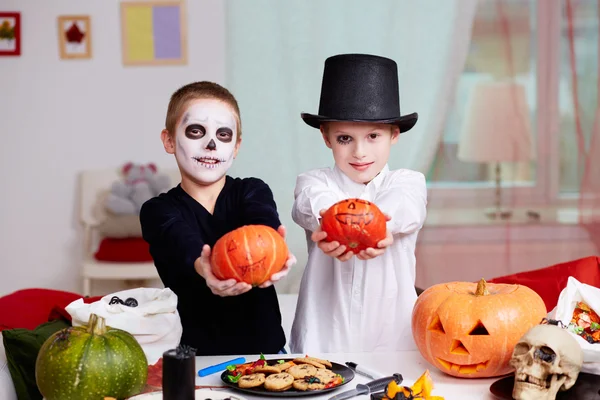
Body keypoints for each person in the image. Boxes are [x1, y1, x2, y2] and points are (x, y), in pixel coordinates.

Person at [140, 81, 296, 356]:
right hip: (196, 361)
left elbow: (261, 220)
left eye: (223, 135)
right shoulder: (158, 210)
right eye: (196, 131)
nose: (211, 144)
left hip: (268, 356)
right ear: (169, 140)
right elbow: (179, 240)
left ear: (235, 147)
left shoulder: (252, 190)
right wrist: (204, 265)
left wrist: (273, 248)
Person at [289, 54, 427, 353]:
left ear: (394, 135)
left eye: (373, 136)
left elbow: (405, 208)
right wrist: (330, 223)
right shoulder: (313, 182)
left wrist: (378, 227)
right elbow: (311, 206)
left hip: (393, 341)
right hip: (323, 339)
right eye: (344, 139)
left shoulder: (408, 182)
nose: (360, 152)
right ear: (326, 137)